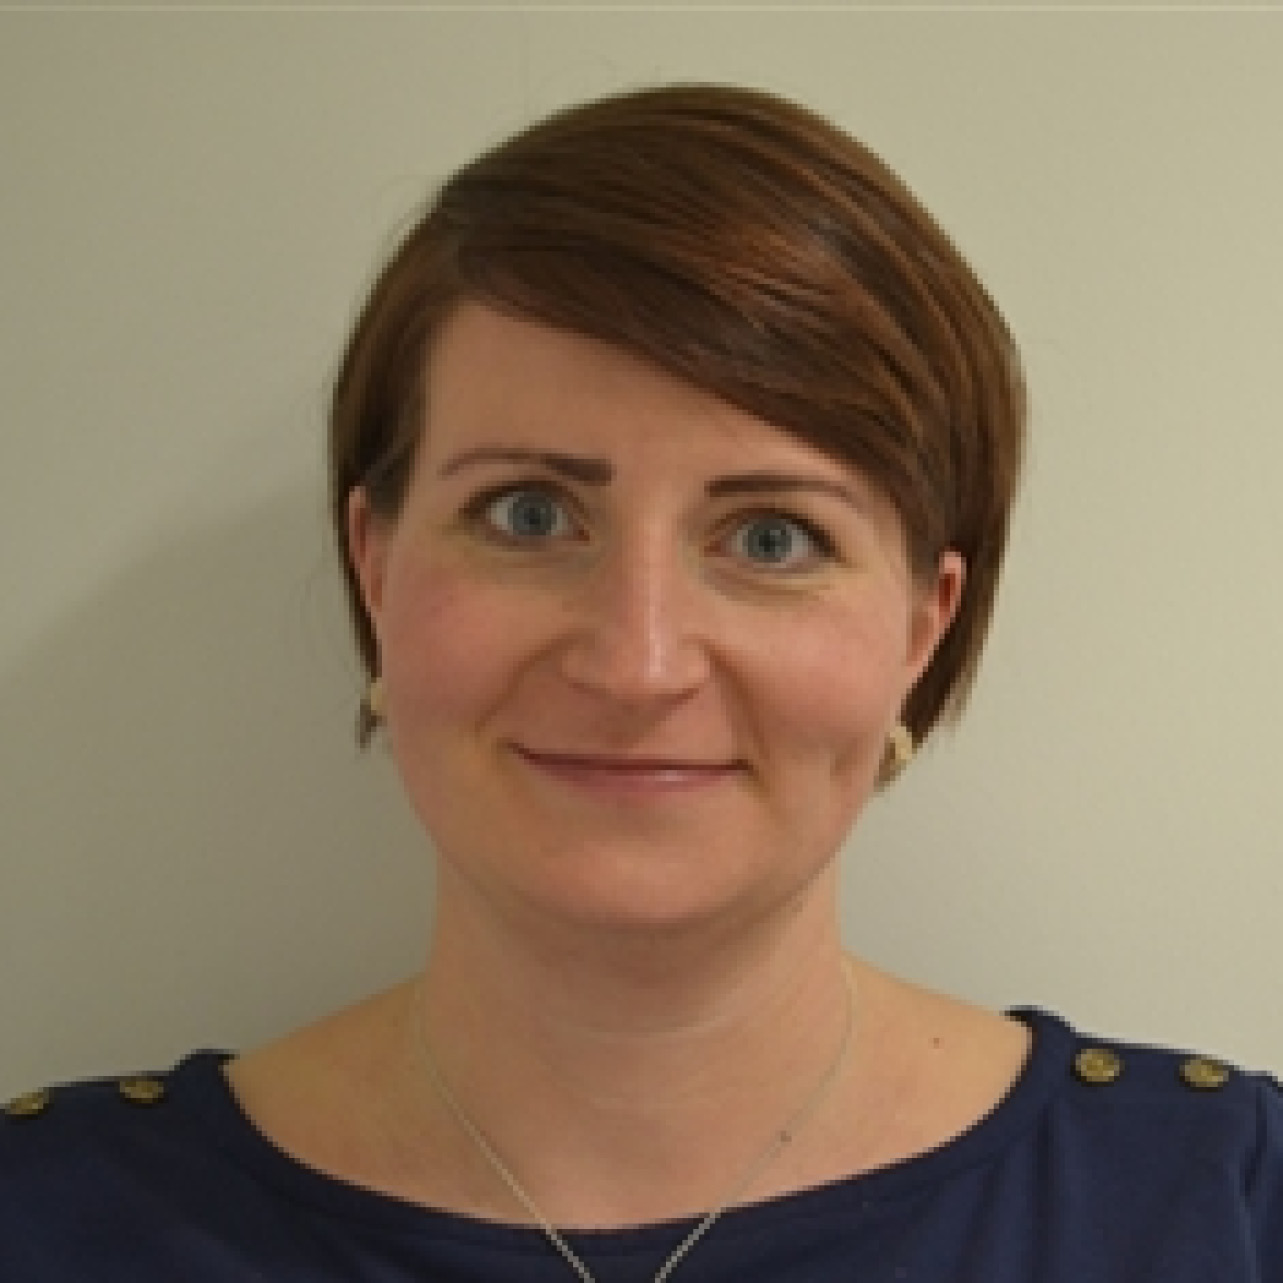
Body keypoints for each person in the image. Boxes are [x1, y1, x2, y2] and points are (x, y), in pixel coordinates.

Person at [2, 83, 1279, 1282]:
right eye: (527, 512)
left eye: (770, 536)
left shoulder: (1219, 1205)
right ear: (373, 567)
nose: (637, 661)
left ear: (920, 627)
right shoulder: (47, 1217)